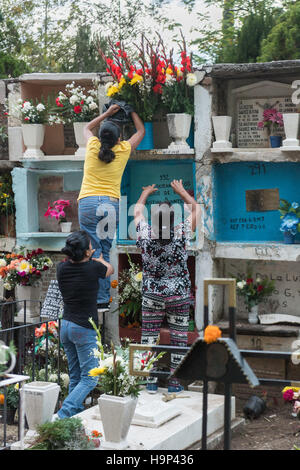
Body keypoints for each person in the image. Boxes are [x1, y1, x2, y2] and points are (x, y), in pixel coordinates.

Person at [134, 179, 200, 393]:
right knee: (179, 339)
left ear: (153, 220)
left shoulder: (145, 234)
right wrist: (182, 192)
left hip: (152, 294)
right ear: (173, 220)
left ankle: (150, 382)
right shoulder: (181, 233)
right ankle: (174, 383)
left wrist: (145, 193)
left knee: (149, 337)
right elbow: (197, 210)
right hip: (178, 295)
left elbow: (137, 212)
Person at [78, 104, 145, 312]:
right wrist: (131, 109)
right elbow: (141, 131)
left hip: (88, 203)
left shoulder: (91, 147)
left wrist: (106, 114)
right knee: (104, 250)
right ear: (118, 139)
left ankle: (90, 295)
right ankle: (101, 300)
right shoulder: (123, 150)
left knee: (90, 250)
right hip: (110, 204)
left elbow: (86, 128)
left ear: (101, 137)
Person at [55, 230, 114, 419]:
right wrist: (98, 259)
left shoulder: (60, 268)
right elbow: (110, 269)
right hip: (84, 328)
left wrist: (91, 257)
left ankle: (73, 415)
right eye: (91, 246)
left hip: (66, 325)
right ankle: (64, 414)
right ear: (87, 253)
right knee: (90, 378)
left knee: (75, 375)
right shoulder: (93, 268)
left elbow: (80, 263)